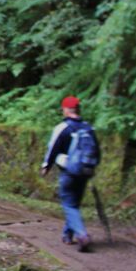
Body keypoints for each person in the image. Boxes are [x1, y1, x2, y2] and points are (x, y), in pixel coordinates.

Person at [41, 95, 101, 252]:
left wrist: (46, 166)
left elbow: (52, 148)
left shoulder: (63, 127)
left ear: (66, 110)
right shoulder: (88, 128)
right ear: (78, 109)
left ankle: (82, 235)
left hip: (69, 171)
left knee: (68, 204)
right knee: (74, 204)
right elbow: (97, 152)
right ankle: (67, 235)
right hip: (85, 171)